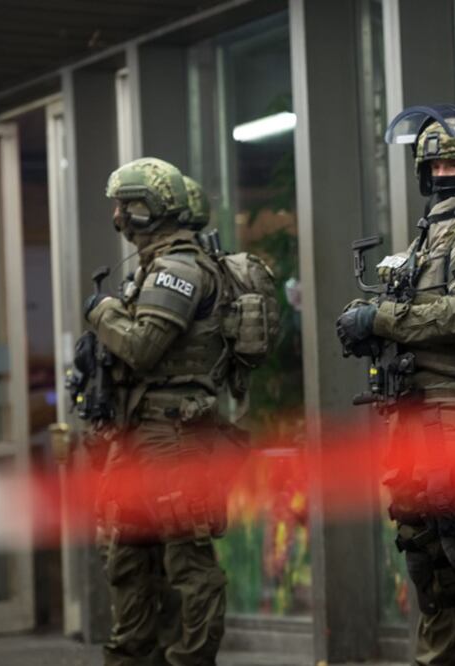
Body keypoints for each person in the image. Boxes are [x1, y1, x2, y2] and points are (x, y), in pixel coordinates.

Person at [336, 104, 455, 666]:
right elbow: (415, 306)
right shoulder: (428, 236)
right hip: (413, 413)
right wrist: (367, 315)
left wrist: (381, 320)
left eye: (454, 165)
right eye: (435, 167)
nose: (443, 176)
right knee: (421, 549)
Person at [84, 157, 272, 665]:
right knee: (128, 557)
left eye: (125, 204)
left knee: (187, 559)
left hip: (173, 437)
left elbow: (144, 346)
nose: (118, 215)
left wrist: (101, 313)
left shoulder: (177, 269)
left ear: (149, 209)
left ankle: (189, 658)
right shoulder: (150, 268)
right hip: (140, 433)